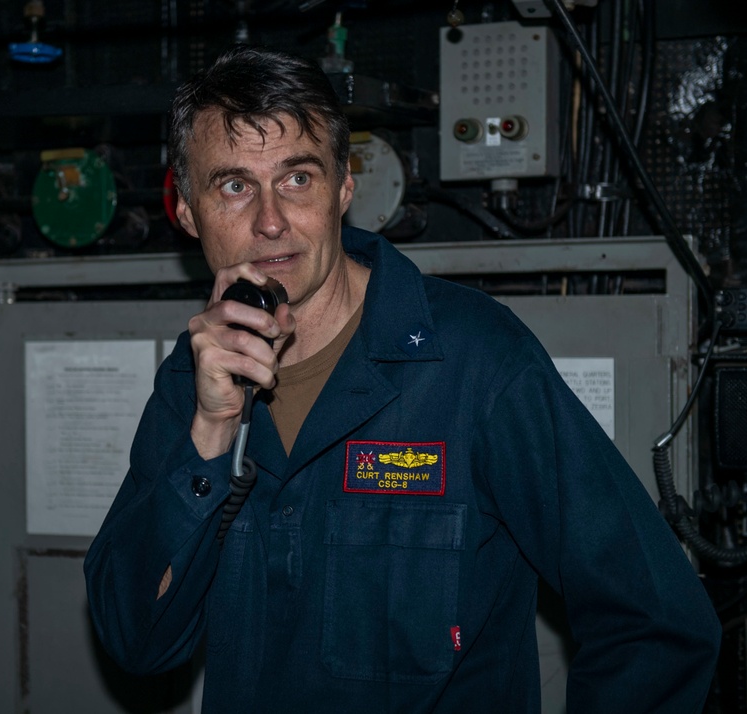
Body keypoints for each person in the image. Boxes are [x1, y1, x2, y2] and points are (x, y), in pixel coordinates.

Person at [84, 44, 721, 712]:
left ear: (344, 187)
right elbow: (137, 640)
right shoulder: (190, 382)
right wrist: (210, 432)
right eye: (234, 185)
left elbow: (656, 623)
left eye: (297, 178)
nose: (270, 220)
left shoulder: (476, 361)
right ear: (186, 211)